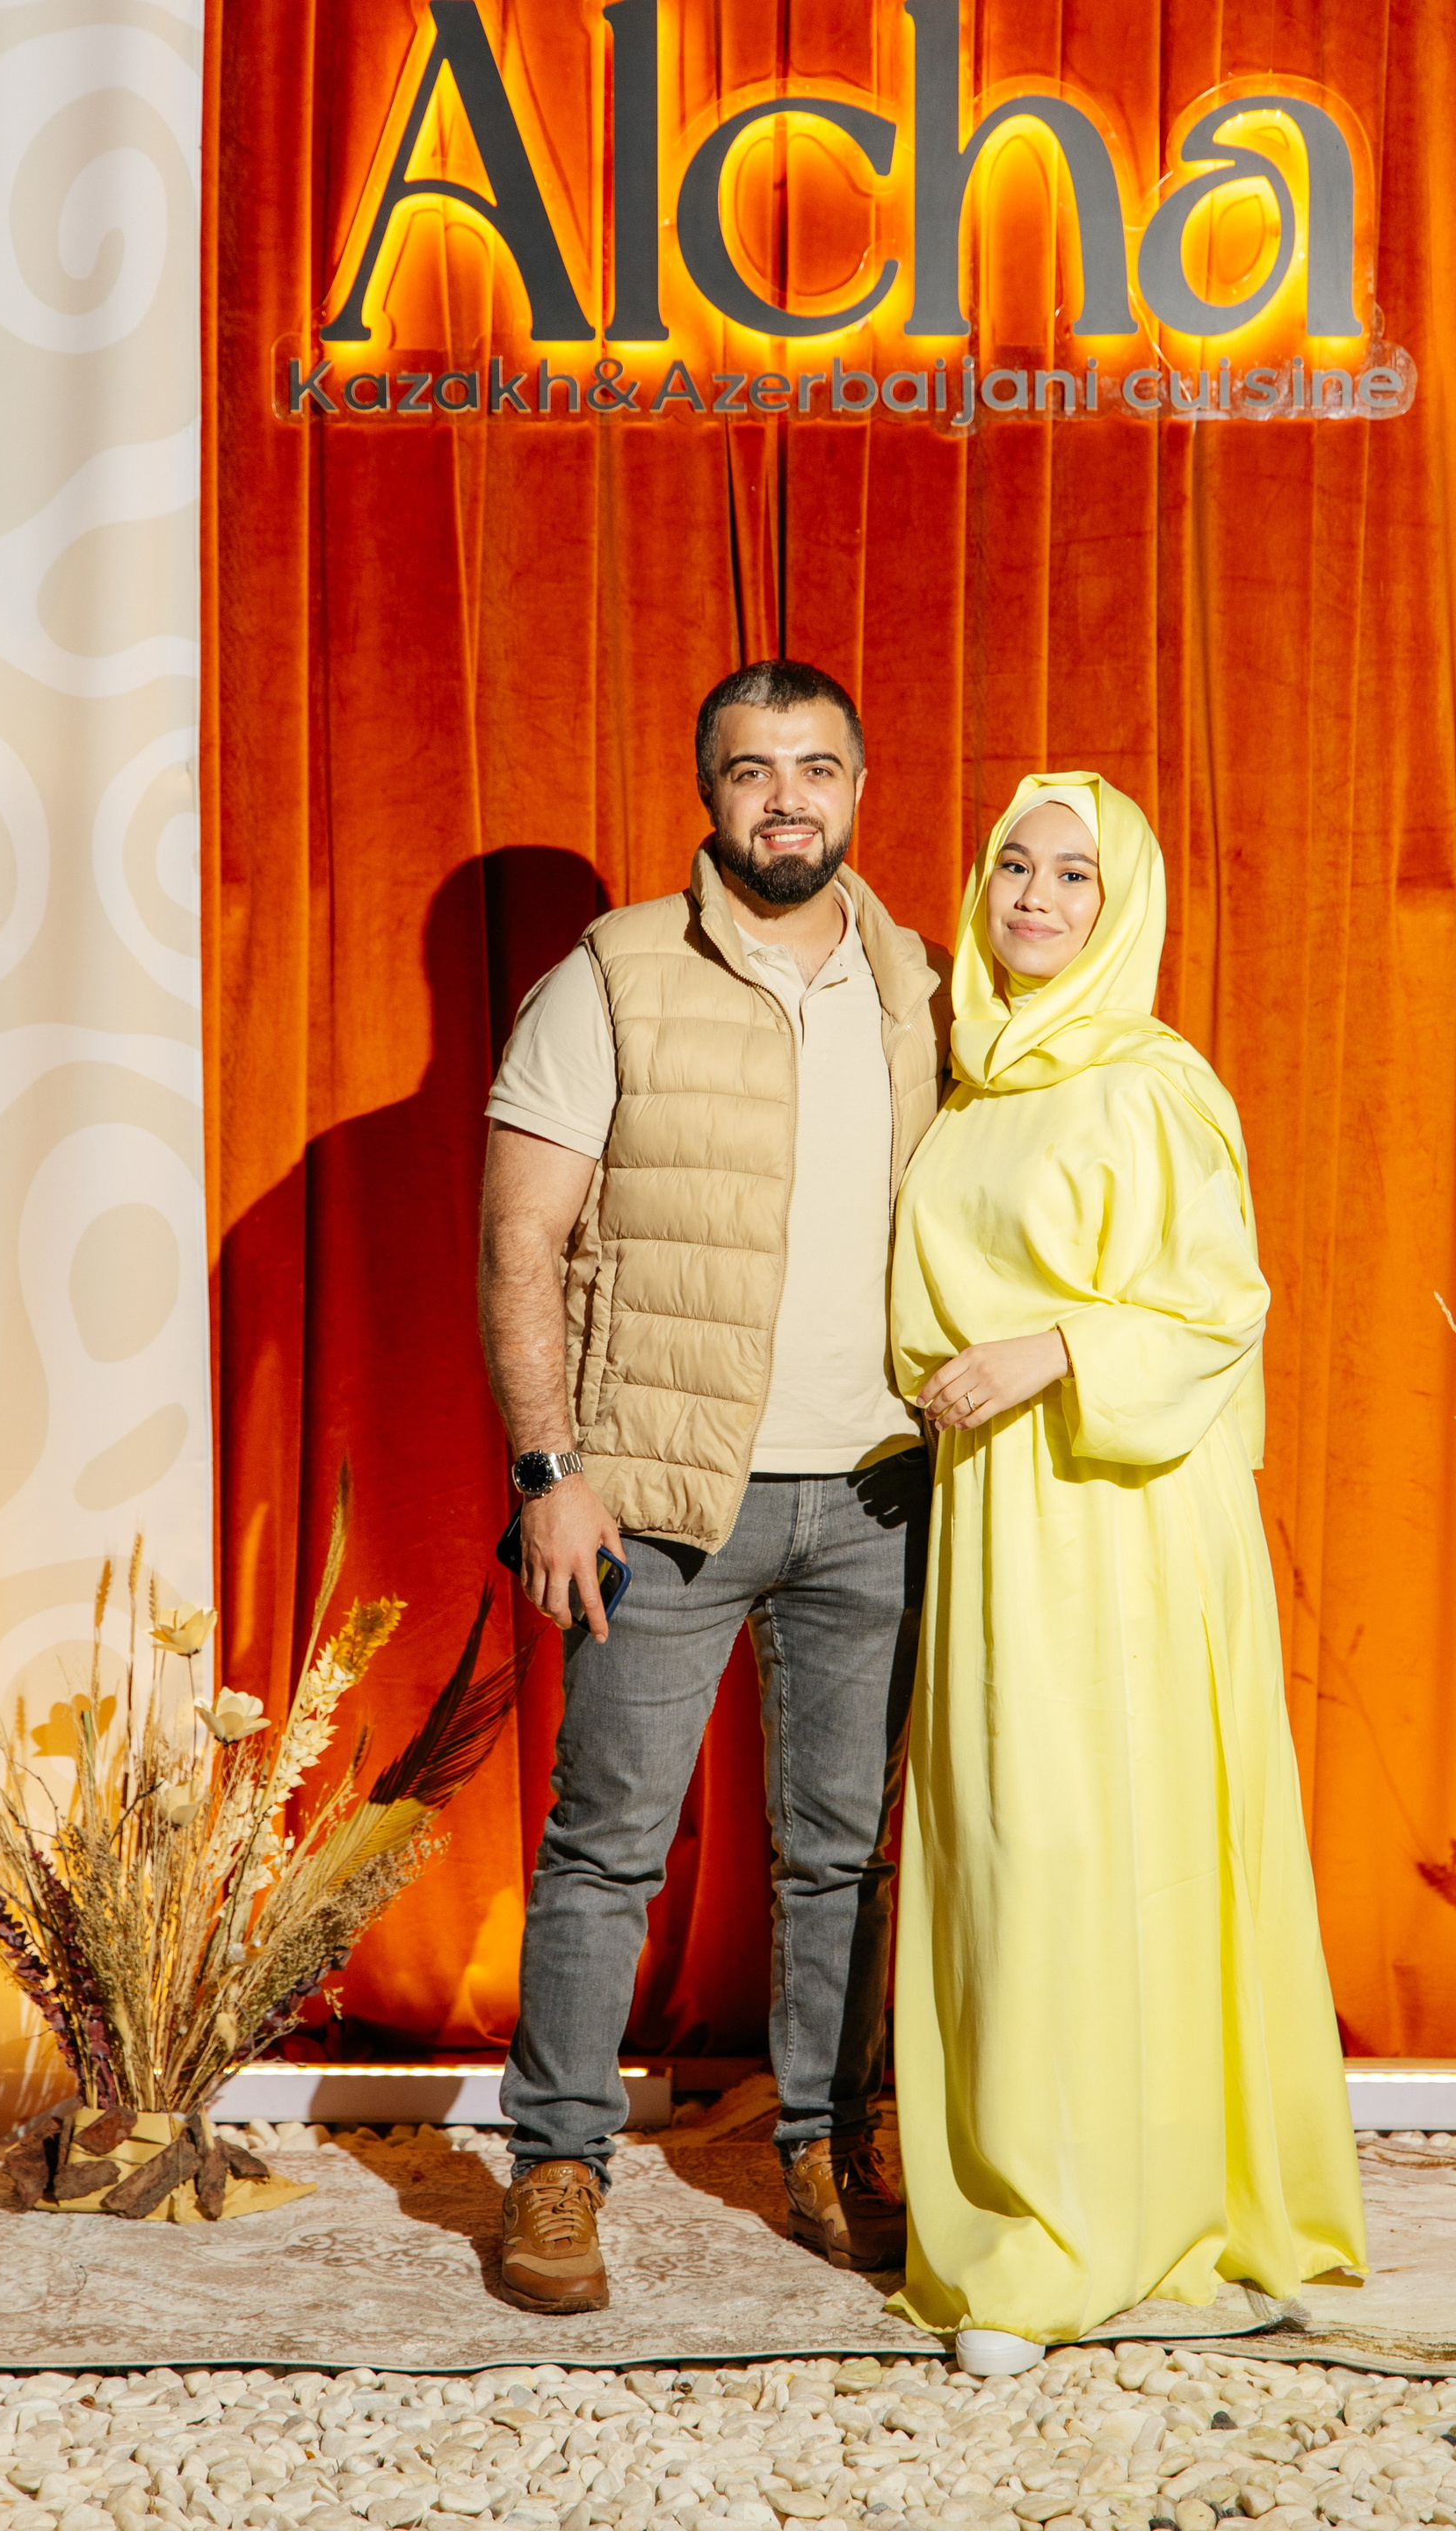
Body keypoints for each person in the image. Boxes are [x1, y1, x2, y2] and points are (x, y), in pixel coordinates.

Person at [476, 658, 945, 2315]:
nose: (788, 800)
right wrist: (551, 1471)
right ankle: (556, 2166)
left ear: (859, 787)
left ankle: (830, 2142)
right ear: (710, 794)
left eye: (817, 767)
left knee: (845, 1855)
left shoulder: (922, 982)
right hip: (664, 1497)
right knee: (608, 1845)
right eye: (754, 771)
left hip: (880, 1493)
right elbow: (520, 1235)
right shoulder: (609, 976)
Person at [887, 772, 1366, 2377]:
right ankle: (1031, 2200)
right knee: (1005, 1845)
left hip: (1121, 1510)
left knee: (1100, 1838)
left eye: (1074, 875)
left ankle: (1075, 2238)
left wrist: (1050, 1353)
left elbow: (1221, 1303)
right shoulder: (971, 1082)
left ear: (1125, 906)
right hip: (991, 1509)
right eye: (1012, 865)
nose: (1034, 896)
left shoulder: (1152, 1083)